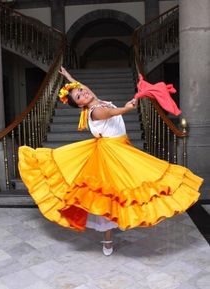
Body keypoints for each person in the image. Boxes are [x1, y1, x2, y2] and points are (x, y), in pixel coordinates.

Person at [18, 66, 203, 256]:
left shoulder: (95, 100)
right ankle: (107, 239)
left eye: (81, 91)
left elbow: (81, 87)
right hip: (110, 153)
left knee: (129, 186)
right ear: (81, 105)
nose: (83, 93)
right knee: (109, 194)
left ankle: (123, 221)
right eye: (79, 96)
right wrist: (127, 108)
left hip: (120, 147)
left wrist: (69, 78)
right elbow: (111, 114)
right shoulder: (95, 111)